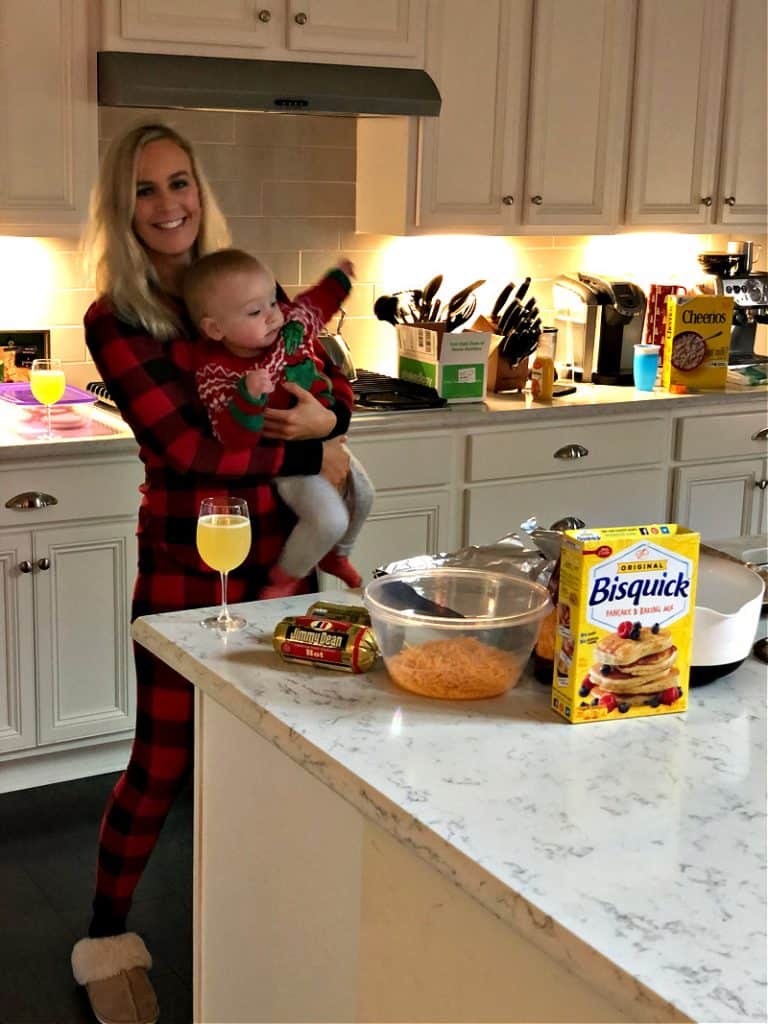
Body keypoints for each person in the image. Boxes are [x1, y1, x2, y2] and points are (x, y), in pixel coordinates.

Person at [69, 122, 353, 1024]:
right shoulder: (114, 316)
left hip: (288, 556)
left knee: (298, 747)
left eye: (179, 183)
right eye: (145, 191)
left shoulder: (248, 278)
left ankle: (282, 926)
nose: (168, 206)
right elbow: (186, 450)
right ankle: (106, 938)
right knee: (162, 760)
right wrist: (312, 454)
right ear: (123, 209)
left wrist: (329, 423)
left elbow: (326, 373)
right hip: (190, 560)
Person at [183, 247, 374, 598]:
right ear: (215, 328)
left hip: (321, 440)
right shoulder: (218, 373)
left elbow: (316, 304)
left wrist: (340, 278)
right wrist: (248, 399)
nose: (273, 316)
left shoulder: (289, 327)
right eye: (256, 311)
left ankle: (336, 555)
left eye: (272, 301)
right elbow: (232, 437)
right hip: (287, 462)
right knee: (329, 519)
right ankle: (285, 578)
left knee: (364, 496)